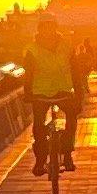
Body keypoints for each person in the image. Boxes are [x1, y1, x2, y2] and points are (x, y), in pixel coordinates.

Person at [22, 17, 79, 174]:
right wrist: (28, 94)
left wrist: (78, 94)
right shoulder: (31, 50)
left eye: (51, 28)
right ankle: (40, 160)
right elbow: (29, 74)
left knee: (72, 118)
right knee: (38, 125)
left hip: (64, 91)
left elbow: (75, 71)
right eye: (45, 29)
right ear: (39, 31)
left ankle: (67, 154)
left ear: (56, 29)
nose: (48, 32)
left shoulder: (67, 47)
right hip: (40, 92)